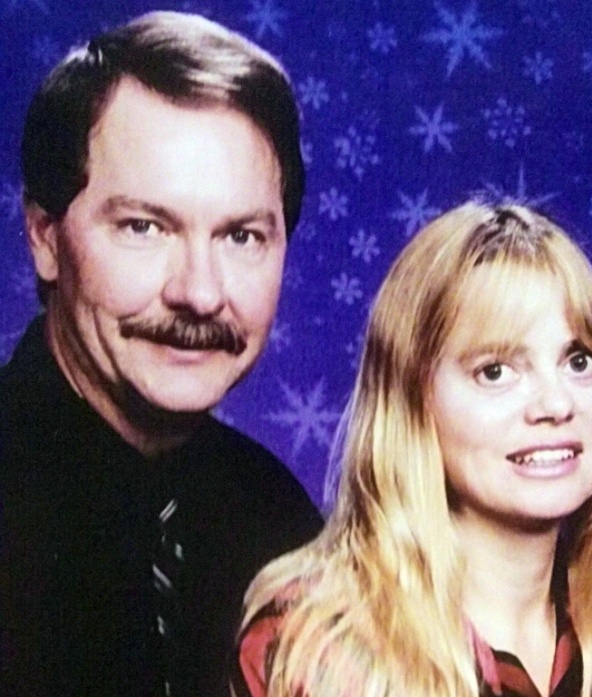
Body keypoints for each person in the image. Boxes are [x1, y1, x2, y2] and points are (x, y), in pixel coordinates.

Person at [0, 11, 322, 697]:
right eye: (145, 227)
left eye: (241, 237)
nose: (199, 293)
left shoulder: (281, 526)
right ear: (45, 238)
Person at [233, 202, 592, 697]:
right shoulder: (312, 645)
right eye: (495, 371)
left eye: (579, 360)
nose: (557, 403)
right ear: (413, 401)